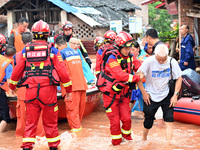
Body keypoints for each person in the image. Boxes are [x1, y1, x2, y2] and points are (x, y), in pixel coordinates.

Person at [9, 20, 72, 150]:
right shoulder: (53, 50)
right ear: (47, 34)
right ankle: (53, 147)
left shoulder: (25, 51)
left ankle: (26, 147)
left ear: (33, 35)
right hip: (48, 93)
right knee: (50, 124)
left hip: (31, 92)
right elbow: (63, 73)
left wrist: (12, 87)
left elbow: (16, 72)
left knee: (30, 124)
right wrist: (69, 89)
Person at [96, 31, 142, 145]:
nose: (128, 50)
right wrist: (136, 78)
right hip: (110, 94)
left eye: (129, 48)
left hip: (123, 93)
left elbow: (140, 66)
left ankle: (127, 141)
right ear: (119, 47)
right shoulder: (112, 58)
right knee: (115, 122)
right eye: (126, 48)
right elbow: (119, 75)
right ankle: (116, 144)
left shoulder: (130, 57)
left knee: (127, 119)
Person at [136, 44, 182, 142]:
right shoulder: (149, 61)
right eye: (159, 59)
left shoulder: (172, 62)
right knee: (148, 121)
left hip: (166, 95)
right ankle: (144, 139)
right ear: (154, 54)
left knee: (169, 120)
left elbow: (179, 78)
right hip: (150, 95)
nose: (161, 61)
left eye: (163, 59)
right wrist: (144, 93)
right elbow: (138, 77)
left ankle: (168, 145)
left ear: (167, 55)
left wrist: (175, 95)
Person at [15, 31, 45, 137]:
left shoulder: (18, 55)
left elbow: (16, 74)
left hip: (23, 90)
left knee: (23, 121)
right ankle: (41, 142)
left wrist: (13, 87)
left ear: (22, 41)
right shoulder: (43, 53)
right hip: (40, 89)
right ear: (33, 40)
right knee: (40, 119)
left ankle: (20, 143)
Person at [56, 36, 88, 132]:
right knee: (78, 114)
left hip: (71, 88)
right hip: (82, 86)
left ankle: (76, 141)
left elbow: (59, 71)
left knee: (73, 115)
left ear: (57, 45)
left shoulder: (60, 54)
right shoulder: (76, 52)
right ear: (67, 44)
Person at [0, 45, 16, 133]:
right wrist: (12, 92)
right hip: (1, 92)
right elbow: (10, 83)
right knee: (5, 118)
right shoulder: (8, 64)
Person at [130, 41, 149, 112]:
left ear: (138, 49)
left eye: (133, 50)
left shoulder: (144, 58)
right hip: (134, 84)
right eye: (130, 50)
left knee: (142, 106)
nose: (131, 52)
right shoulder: (130, 57)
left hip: (143, 85)